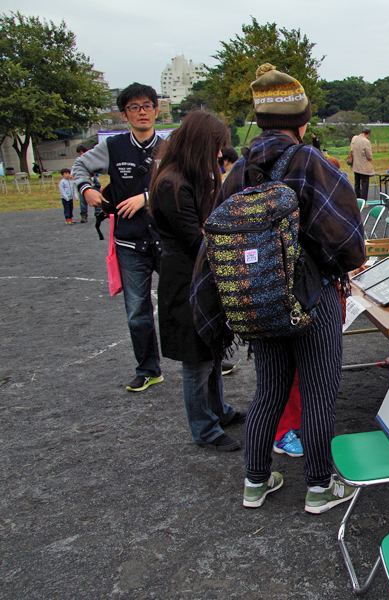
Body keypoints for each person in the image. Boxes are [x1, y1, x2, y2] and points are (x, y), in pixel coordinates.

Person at [218, 63, 366, 509]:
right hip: (311, 297)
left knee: (268, 392)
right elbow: (347, 239)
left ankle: (255, 483)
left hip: (259, 301)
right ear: (301, 122)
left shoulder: (239, 171)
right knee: (320, 391)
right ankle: (320, 487)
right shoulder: (308, 161)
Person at [147, 109, 244, 452]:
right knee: (197, 359)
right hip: (185, 281)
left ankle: (219, 409)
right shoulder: (173, 184)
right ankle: (203, 428)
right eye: (216, 147)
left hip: (201, 278)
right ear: (201, 144)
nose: (220, 154)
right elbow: (197, 239)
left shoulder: (189, 178)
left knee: (213, 350)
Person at [73, 83, 165, 393]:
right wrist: (86, 189)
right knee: (137, 311)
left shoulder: (168, 148)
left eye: (147, 105)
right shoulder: (112, 147)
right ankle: (148, 369)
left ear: (156, 109)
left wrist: (146, 197)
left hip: (166, 238)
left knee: (186, 301)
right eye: (134, 107)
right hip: (129, 242)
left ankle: (210, 359)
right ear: (124, 114)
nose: (142, 112)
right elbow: (80, 165)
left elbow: (184, 184)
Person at [75, 144, 102, 224]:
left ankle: (98, 213)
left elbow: (98, 170)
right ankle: (84, 215)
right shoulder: (78, 161)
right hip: (84, 185)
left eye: (82, 153)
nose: (81, 155)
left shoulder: (92, 160)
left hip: (94, 184)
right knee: (83, 201)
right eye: (79, 154)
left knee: (97, 199)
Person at [350, 127, 374, 201]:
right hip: (363, 165)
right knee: (364, 183)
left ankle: (357, 198)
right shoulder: (366, 141)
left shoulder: (355, 139)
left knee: (357, 182)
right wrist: (371, 157)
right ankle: (364, 200)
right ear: (368, 134)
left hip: (355, 165)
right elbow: (369, 155)